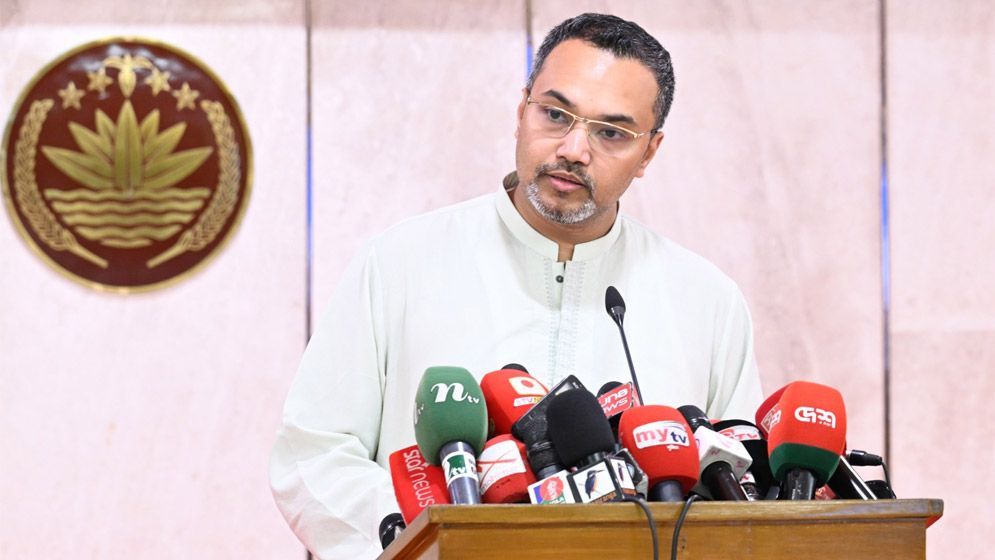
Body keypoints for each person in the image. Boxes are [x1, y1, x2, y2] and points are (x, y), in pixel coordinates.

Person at [270, 13, 763, 558]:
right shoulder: (400, 262)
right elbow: (312, 453)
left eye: (611, 132)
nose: (573, 149)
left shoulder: (706, 301)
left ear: (649, 152)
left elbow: (744, 488)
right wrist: (415, 535)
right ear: (521, 110)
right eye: (555, 114)